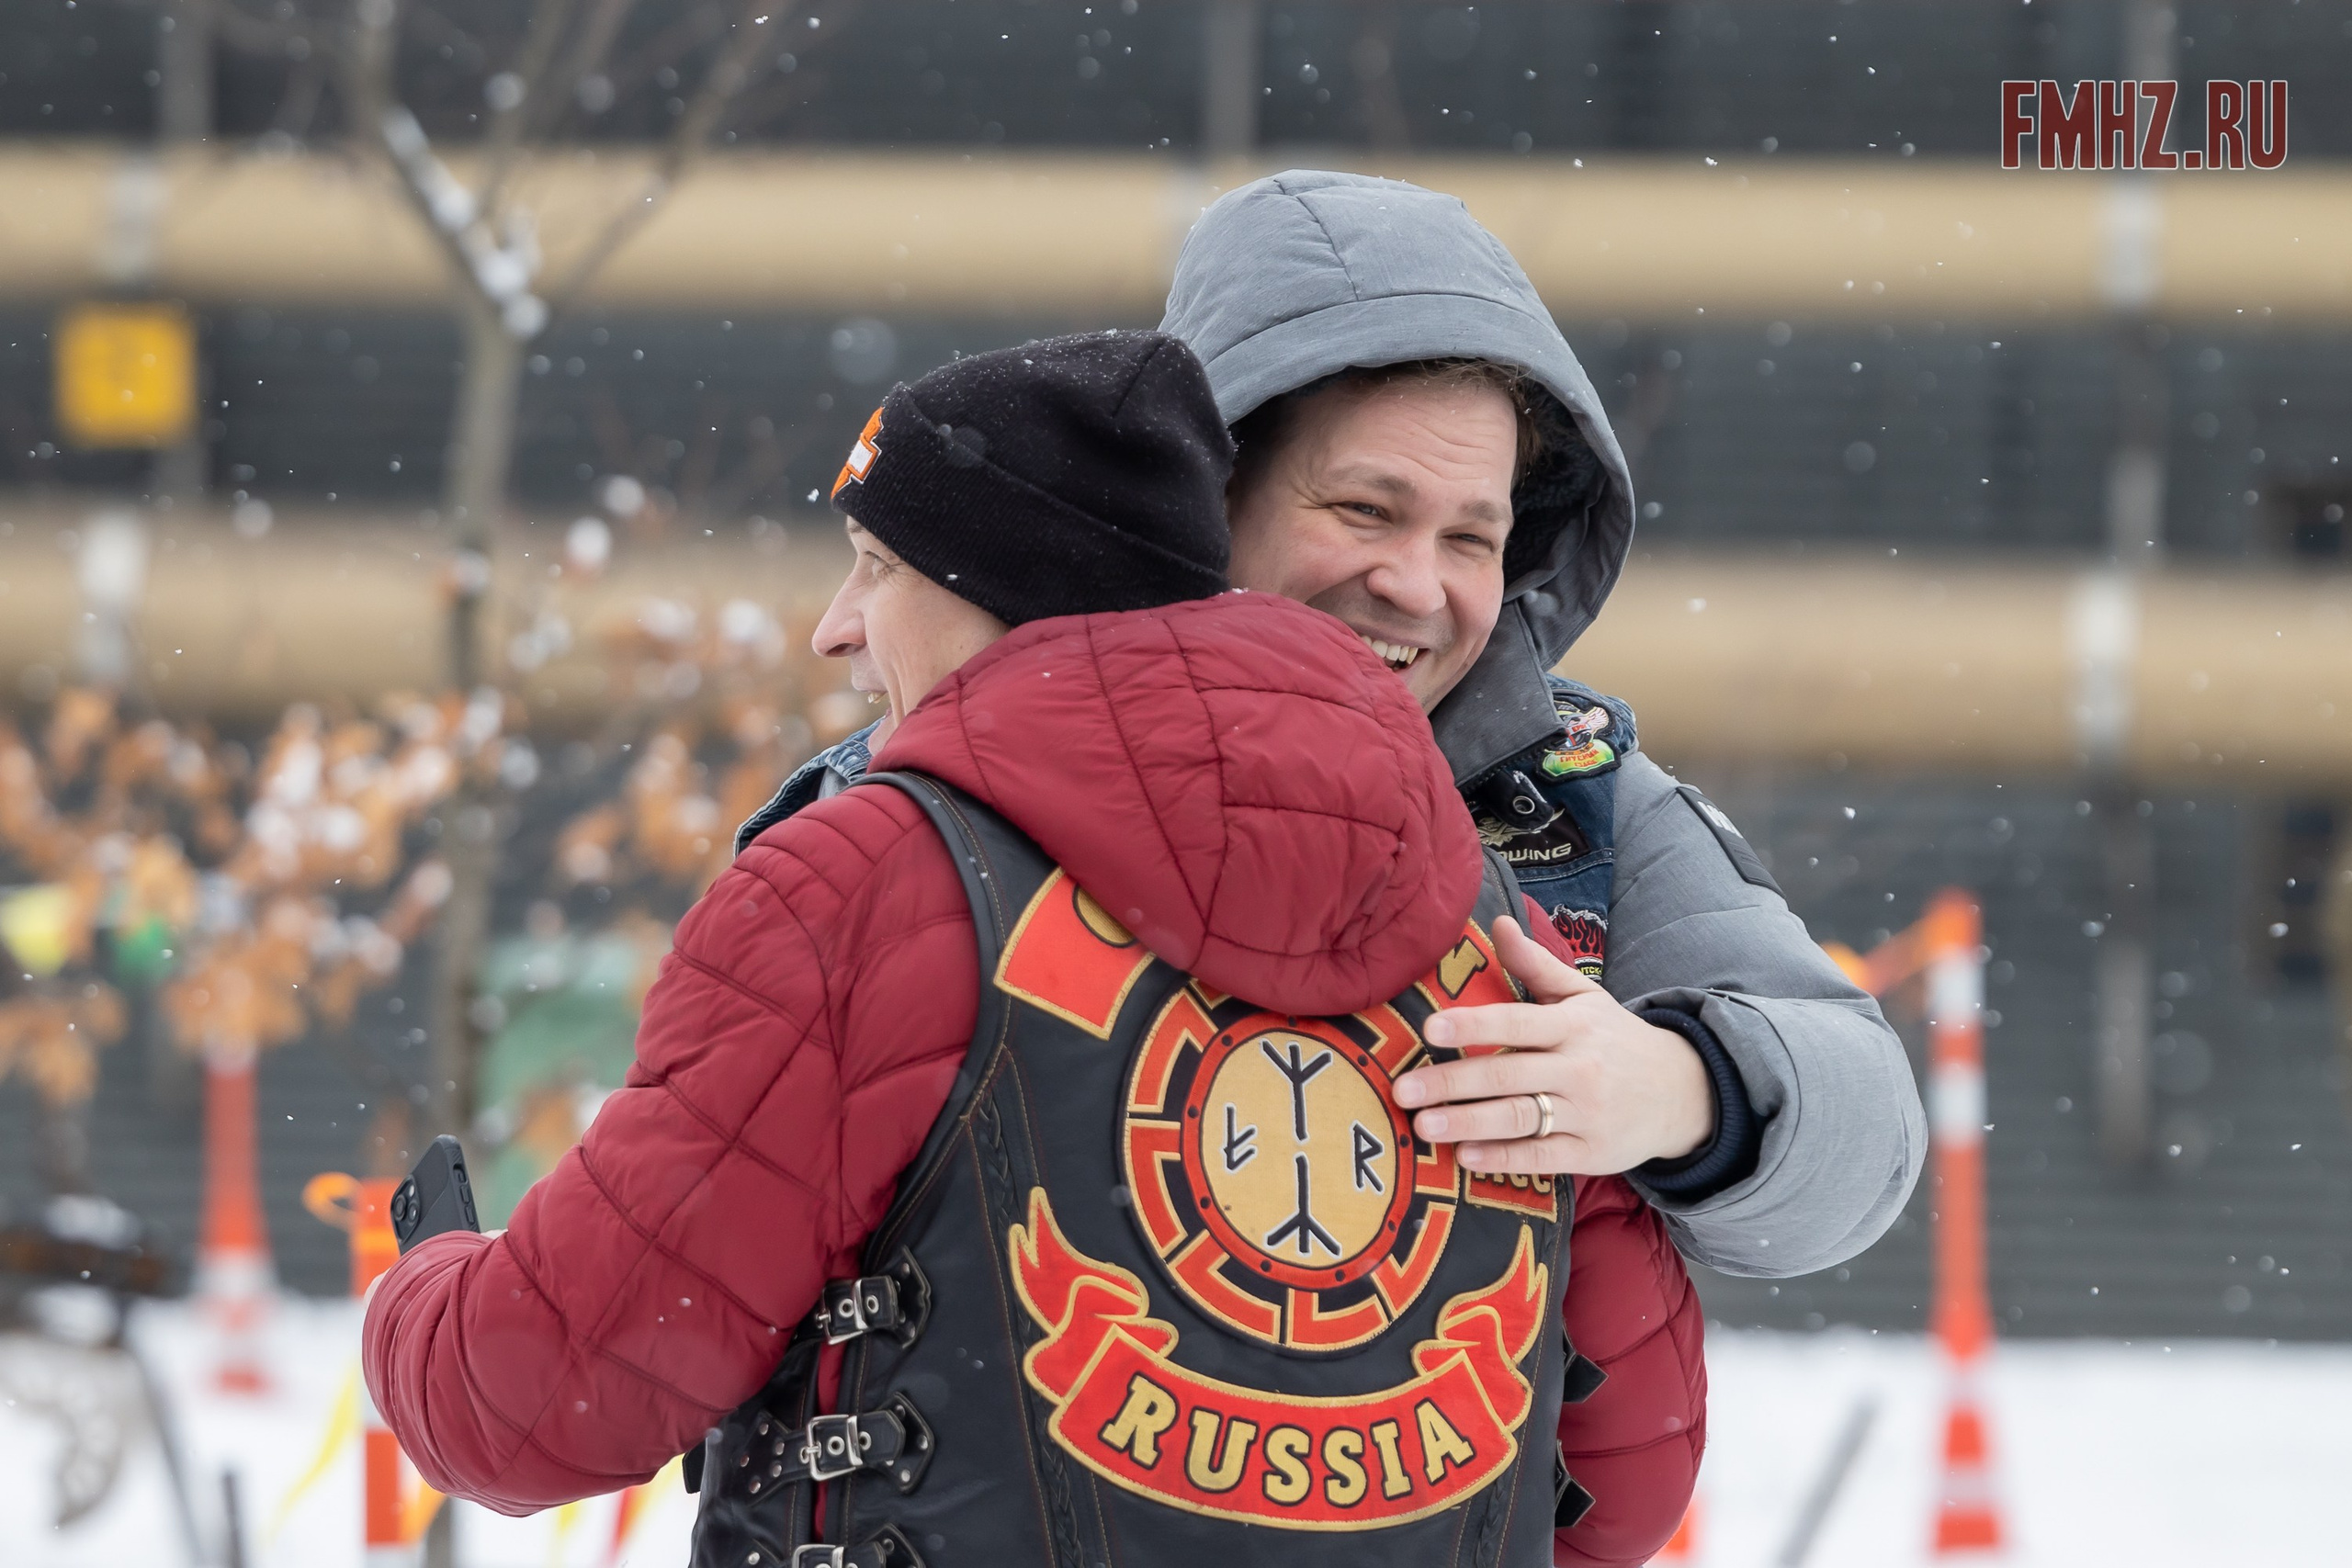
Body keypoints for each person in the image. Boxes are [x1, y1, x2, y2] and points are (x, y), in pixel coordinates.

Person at [364, 331, 1702, 1567]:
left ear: (1004, 596)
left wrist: (419, 1286)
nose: (839, 625)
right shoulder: (1487, 918)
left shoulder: (867, 885)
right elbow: (1622, 1472)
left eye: (879, 567)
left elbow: (540, 1400)